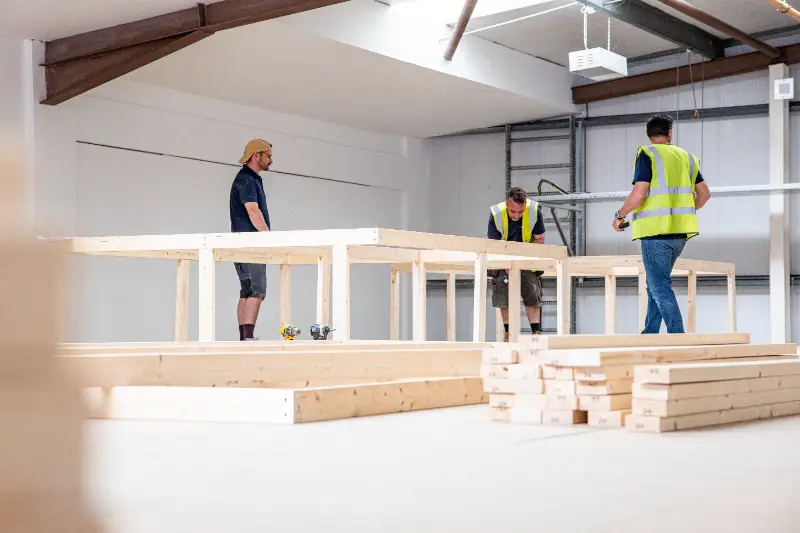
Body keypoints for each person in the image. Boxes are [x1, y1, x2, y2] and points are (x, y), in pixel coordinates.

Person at [612, 113, 711, 334]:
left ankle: (678, 337)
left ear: (649, 135)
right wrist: (682, 211)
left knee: (660, 287)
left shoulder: (647, 153)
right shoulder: (687, 157)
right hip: (680, 235)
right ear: (669, 134)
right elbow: (704, 195)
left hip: (655, 233)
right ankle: (650, 333)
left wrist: (620, 215)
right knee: (655, 285)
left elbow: (639, 193)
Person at [487, 187, 546, 341]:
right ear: (507, 205)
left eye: (520, 212)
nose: (516, 215)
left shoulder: (534, 211)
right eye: (513, 212)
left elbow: (539, 239)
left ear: (525, 205)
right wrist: (506, 263)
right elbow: (493, 244)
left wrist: (526, 259)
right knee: (503, 297)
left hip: (526, 257)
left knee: (532, 295)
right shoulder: (497, 214)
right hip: (502, 256)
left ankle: (536, 335)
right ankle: (508, 334)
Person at [230, 139, 273, 341]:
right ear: (256, 155)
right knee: (256, 290)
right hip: (251, 243)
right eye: (268, 155)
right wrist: (267, 237)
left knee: (246, 290)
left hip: (240, 242)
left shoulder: (245, 178)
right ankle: (248, 338)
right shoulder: (248, 180)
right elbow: (252, 209)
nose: (271, 160)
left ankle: (244, 338)